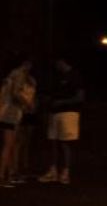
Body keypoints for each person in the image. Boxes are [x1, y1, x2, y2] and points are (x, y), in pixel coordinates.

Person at [39, 58, 84, 185]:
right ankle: (53, 171)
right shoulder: (56, 76)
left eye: (58, 62)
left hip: (68, 113)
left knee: (65, 143)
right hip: (55, 113)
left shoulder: (75, 76)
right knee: (52, 141)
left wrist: (62, 102)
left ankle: (65, 172)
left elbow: (80, 97)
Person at [0, 57, 35, 188]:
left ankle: (9, 174)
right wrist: (28, 103)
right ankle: (2, 177)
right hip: (10, 114)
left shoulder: (9, 76)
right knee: (8, 146)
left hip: (6, 112)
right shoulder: (18, 74)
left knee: (10, 145)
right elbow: (16, 93)